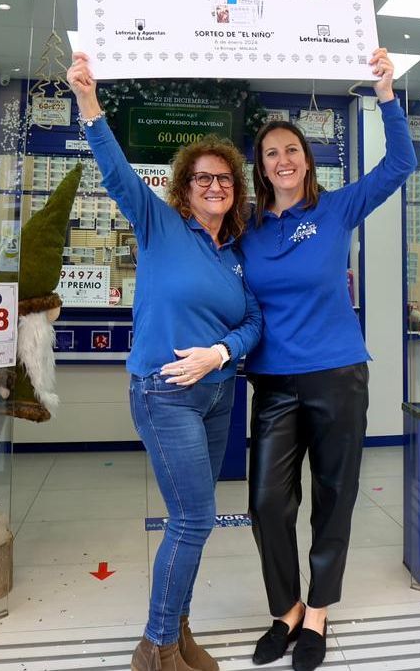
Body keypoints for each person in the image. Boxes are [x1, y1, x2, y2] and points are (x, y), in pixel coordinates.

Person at [68, 53, 262, 671]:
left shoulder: (235, 252)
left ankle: (178, 633)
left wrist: (221, 352)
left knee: (193, 523)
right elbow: (117, 172)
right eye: (203, 178)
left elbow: (253, 322)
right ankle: (155, 648)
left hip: (218, 391)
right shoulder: (158, 223)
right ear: (185, 186)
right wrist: (89, 103)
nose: (214, 186)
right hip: (166, 392)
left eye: (224, 180)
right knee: (194, 517)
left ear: (235, 191)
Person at [243, 48, 414, 671]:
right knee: (267, 501)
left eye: (291, 150)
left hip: (338, 374)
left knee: (333, 495)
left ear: (306, 160)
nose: (283, 160)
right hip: (274, 382)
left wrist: (386, 94)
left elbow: (401, 163)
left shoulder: (336, 208)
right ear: (260, 169)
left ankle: (316, 613)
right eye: (270, 154)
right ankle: (283, 607)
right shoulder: (249, 228)